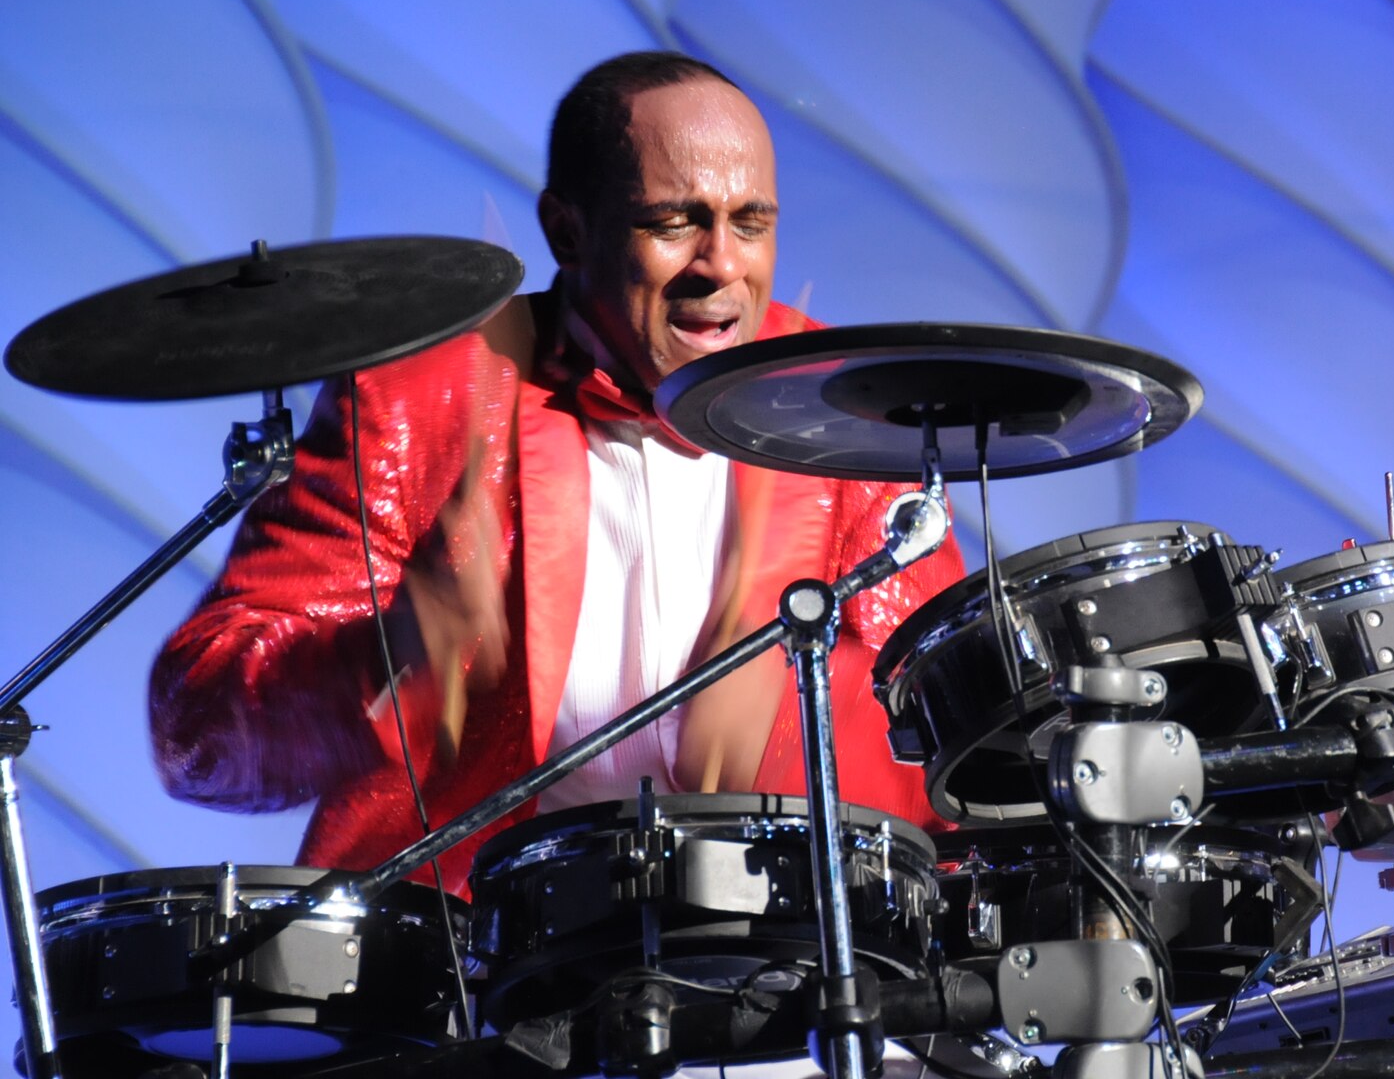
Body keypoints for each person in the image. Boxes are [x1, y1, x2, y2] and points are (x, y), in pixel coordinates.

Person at [149, 52, 964, 894]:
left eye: (750, 225)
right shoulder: (419, 397)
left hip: (787, 943)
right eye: (674, 223)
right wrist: (386, 658)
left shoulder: (839, 411)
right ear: (567, 231)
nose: (722, 265)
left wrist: (805, 730)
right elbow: (198, 730)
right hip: (469, 949)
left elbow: (947, 735)